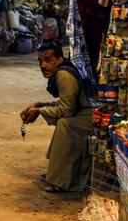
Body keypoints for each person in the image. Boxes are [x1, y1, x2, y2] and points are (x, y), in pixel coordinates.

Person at [19, 41, 94, 193]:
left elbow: (66, 110)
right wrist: (39, 105)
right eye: (40, 61)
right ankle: (57, 173)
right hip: (83, 111)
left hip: (91, 115)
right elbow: (66, 103)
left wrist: (40, 111)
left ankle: (61, 180)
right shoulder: (60, 72)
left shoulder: (63, 74)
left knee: (65, 125)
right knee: (65, 123)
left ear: (59, 60)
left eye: (48, 60)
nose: (43, 65)